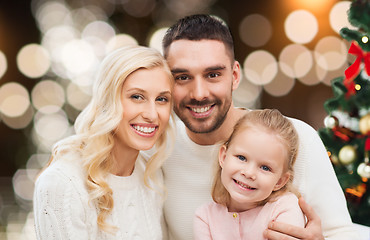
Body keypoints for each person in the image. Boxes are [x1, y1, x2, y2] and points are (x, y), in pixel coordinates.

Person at [160, 14, 358, 240]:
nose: (199, 93)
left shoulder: (298, 139)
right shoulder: (158, 149)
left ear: (234, 76)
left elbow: (343, 233)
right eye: (183, 77)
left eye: (213, 74)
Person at [33, 45, 174, 239]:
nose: (152, 114)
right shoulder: (63, 183)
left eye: (162, 99)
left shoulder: (152, 178)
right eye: (137, 97)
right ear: (108, 101)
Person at [194, 109, 305, 239]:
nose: (248, 173)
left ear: (280, 181)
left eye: (265, 167)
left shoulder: (285, 207)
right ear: (224, 157)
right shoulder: (205, 217)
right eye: (241, 158)